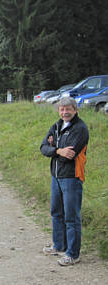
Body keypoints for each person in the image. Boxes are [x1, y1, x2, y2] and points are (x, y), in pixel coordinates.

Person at [40, 97, 89, 266]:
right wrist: (58, 150)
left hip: (72, 177)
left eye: (68, 109)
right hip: (56, 176)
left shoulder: (80, 128)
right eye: (62, 109)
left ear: (75, 110)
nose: (64, 112)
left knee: (71, 217)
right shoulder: (56, 126)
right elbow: (43, 148)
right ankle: (59, 245)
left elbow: (70, 155)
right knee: (56, 213)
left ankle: (73, 254)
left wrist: (54, 150)